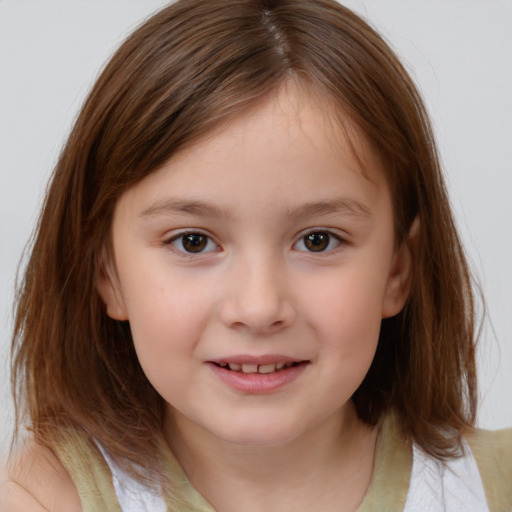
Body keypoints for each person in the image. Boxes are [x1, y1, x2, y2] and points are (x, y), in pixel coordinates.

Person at [2, 0, 511, 510]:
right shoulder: (42, 497)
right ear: (107, 271)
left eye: (318, 240)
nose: (259, 307)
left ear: (398, 270)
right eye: (193, 241)